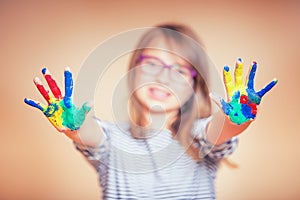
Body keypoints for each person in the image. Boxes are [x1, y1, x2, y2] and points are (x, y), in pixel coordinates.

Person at [24, 23, 277, 199]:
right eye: (153, 63)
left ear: (194, 86)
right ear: (133, 71)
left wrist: (237, 117)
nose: (163, 75)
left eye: (179, 69)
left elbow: (220, 129)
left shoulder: (199, 139)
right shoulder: (113, 141)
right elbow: (91, 135)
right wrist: (75, 125)